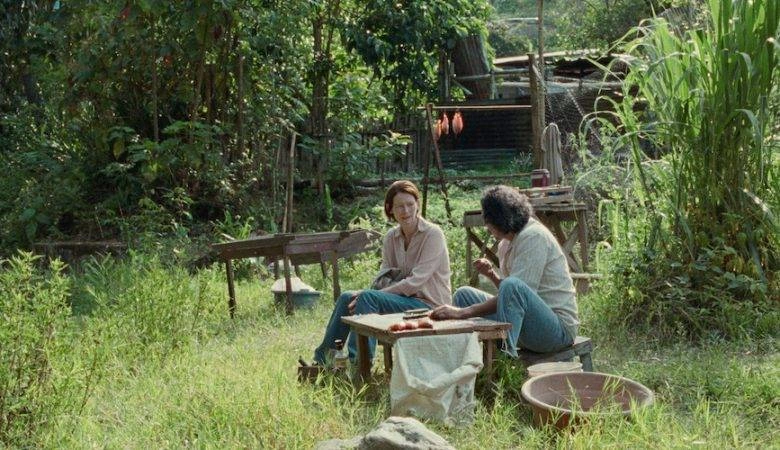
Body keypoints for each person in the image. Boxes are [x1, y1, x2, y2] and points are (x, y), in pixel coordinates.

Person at [311, 180, 452, 366]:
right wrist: (368, 294)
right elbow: (384, 278)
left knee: (368, 297)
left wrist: (371, 295)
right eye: (400, 206)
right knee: (347, 297)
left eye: (410, 205)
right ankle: (322, 362)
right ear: (390, 209)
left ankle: (359, 365)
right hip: (402, 301)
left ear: (417, 204)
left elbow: (415, 282)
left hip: (430, 305)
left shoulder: (433, 234)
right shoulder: (391, 237)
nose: (406, 211)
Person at [430, 185, 578, 356]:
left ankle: (505, 358)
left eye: (488, 221)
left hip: (556, 331)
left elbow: (516, 290)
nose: (487, 227)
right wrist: (492, 275)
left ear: (501, 219)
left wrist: (464, 313)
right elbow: (512, 298)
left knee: (510, 285)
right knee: (463, 295)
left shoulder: (533, 236)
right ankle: (465, 357)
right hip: (526, 325)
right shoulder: (505, 244)